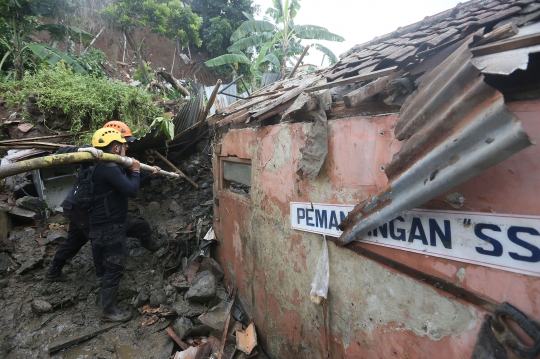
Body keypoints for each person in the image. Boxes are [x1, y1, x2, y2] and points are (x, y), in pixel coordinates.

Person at [45, 121, 163, 282]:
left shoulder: (116, 160)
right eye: (124, 141)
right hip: (81, 207)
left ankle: (54, 271)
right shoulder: (94, 153)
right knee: (98, 238)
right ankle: (103, 276)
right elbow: (58, 153)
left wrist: (149, 176)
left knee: (76, 239)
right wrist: (80, 150)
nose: (127, 145)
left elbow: (126, 185)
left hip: (82, 207)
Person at [88, 128, 145, 322]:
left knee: (140, 226)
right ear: (115, 147)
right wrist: (136, 171)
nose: (126, 147)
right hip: (109, 226)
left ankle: (154, 244)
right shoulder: (109, 167)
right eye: (123, 145)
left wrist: (141, 175)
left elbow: (124, 184)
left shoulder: (103, 165)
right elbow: (131, 190)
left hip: (107, 222)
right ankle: (108, 311)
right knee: (115, 266)